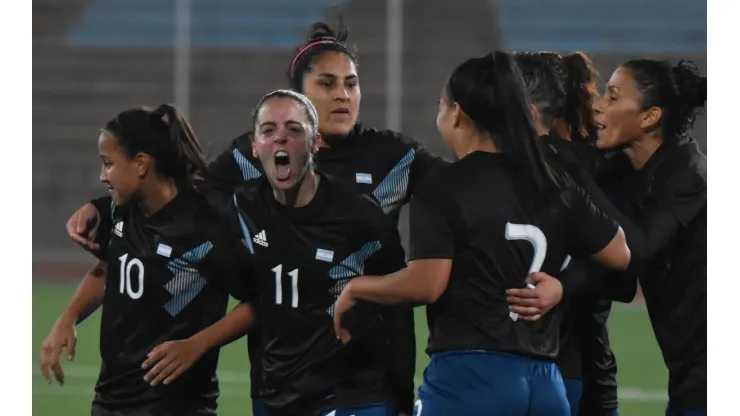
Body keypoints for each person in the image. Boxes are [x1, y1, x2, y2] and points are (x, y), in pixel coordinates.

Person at [63, 19, 446, 416]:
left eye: (351, 83)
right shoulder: (255, 154)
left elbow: (462, 191)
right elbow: (184, 196)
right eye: (327, 84)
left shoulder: (393, 157)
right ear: (300, 96)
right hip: (279, 374)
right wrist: (104, 207)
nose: (343, 95)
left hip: (364, 373)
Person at [332, 52, 631, 416]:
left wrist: (358, 288)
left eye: (440, 107)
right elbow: (619, 252)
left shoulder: (445, 184)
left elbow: (427, 284)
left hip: (470, 378)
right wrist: (562, 285)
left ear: (456, 113)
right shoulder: (552, 182)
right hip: (546, 383)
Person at [39, 104, 254, 415]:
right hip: (110, 401)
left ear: (140, 164)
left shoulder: (204, 228)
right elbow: (110, 267)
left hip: (179, 406)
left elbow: (256, 301)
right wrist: (67, 318)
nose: (102, 176)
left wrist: (198, 344)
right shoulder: (123, 211)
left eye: (108, 163)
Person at [221, 89, 407, 415]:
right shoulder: (244, 205)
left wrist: (400, 390)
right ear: (254, 147)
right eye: (268, 131)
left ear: (315, 142)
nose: (280, 139)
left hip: (350, 392)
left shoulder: (360, 217)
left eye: (293, 130)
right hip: (274, 390)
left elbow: (400, 289)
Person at [589, 59, 707, 416]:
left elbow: (639, 249)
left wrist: (577, 184)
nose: (598, 105)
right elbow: (623, 284)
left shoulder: (691, 175)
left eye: (612, 96)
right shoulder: (629, 175)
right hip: (687, 372)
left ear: (648, 117)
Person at [511, 51, 621, 416]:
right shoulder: (587, 163)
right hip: (581, 353)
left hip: (550, 351)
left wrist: (563, 284)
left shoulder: (567, 166)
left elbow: (625, 256)